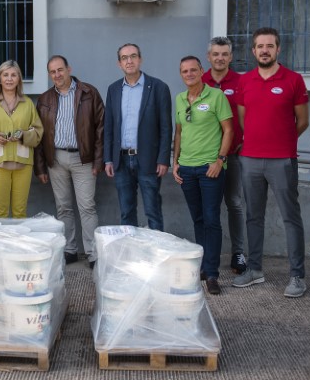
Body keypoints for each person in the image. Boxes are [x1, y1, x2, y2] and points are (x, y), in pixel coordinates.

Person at [231, 27, 310, 298]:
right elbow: (244, 119)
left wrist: (282, 141)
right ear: (253, 51)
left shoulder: (293, 80)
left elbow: (303, 121)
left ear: (278, 49)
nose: (265, 50)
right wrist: (257, 141)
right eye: (260, 46)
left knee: (291, 217)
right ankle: (254, 270)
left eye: (270, 46)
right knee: (253, 216)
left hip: (282, 160)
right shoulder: (245, 81)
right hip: (250, 159)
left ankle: (297, 276)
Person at [35, 55, 105, 268]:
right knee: (63, 207)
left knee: (87, 207)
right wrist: (40, 167)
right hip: (56, 159)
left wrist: (98, 161)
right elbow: (39, 136)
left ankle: (93, 253)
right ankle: (70, 250)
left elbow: (101, 128)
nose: (57, 75)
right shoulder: (45, 99)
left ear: (69, 69)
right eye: (52, 72)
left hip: (83, 159)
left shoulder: (89, 93)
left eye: (60, 70)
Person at [172, 56, 233, 295]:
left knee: (211, 220)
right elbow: (179, 132)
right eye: (184, 71)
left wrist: (220, 160)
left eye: (193, 70)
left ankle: (213, 274)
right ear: (181, 74)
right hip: (187, 169)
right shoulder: (179, 99)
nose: (189, 74)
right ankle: (204, 267)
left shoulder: (216, 96)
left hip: (210, 169)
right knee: (198, 219)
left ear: (201, 71)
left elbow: (229, 130)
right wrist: (175, 162)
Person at [104, 43, 172, 231]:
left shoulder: (158, 87)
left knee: (153, 212)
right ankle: (130, 248)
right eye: (124, 58)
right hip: (121, 161)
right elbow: (109, 126)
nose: (129, 61)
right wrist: (108, 158)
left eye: (133, 56)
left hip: (148, 160)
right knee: (126, 212)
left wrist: (163, 159)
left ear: (140, 59)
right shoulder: (113, 89)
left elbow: (166, 127)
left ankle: (156, 249)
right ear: (119, 63)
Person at [0, 60, 43, 218]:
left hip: (23, 163)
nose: (9, 79)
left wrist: (23, 135)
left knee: (20, 212)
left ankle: (18, 236)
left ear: (19, 79)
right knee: (0, 212)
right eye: (5, 75)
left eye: (13, 75)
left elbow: (38, 132)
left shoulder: (28, 104)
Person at [202, 37, 247, 274]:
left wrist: (245, 141)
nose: (220, 58)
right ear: (208, 57)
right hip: (207, 157)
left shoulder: (241, 82)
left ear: (230, 57)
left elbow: (250, 114)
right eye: (215, 54)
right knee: (209, 207)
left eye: (224, 54)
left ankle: (238, 252)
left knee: (234, 203)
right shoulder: (200, 81)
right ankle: (209, 253)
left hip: (234, 155)